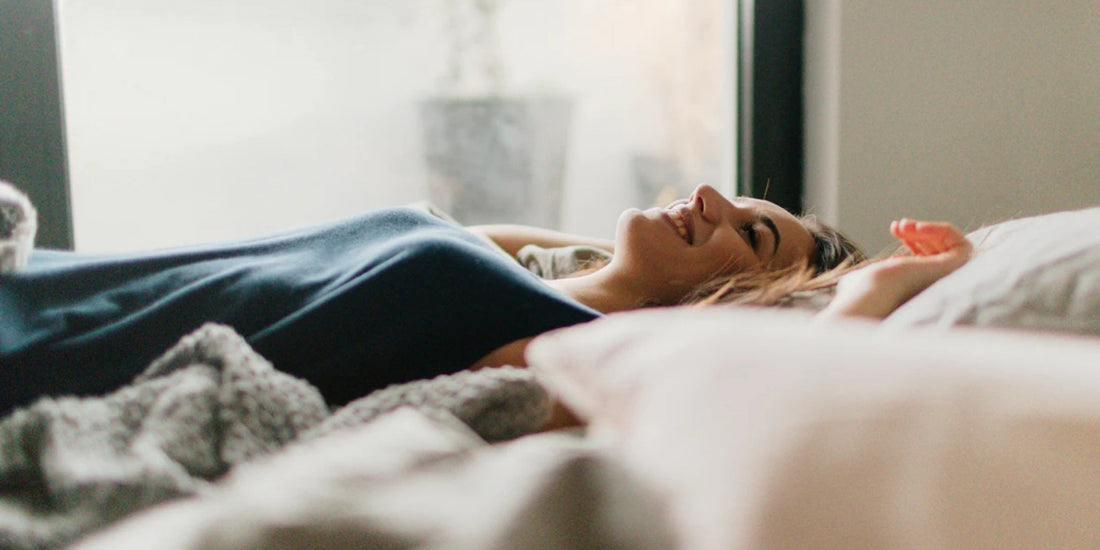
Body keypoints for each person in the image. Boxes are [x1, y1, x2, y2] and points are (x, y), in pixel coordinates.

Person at [0, 183, 968, 415]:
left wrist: (873, 286)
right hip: (37, 277)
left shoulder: (565, 350)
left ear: (734, 302)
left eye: (747, 233)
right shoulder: (539, 268)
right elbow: (552, 246)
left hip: (42, 355)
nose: (707, 197)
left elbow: (769, 391)